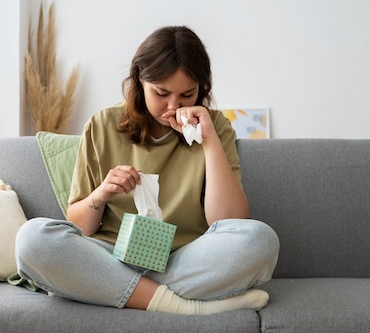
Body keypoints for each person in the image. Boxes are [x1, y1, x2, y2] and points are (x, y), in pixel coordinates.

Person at [15, 25, 279, 315]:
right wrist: (102, 193)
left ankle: (122, 291)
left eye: (187, 95)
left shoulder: (214, 129)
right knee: (32, 238)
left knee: (260, 240)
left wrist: (209, 142)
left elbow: (230, 222)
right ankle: (183, 306)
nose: (172, 106)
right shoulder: (102, 125)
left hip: (184, 259)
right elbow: (80, 227)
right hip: (112, 257)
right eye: (161, 93)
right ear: (140, 79)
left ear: (201, 90)